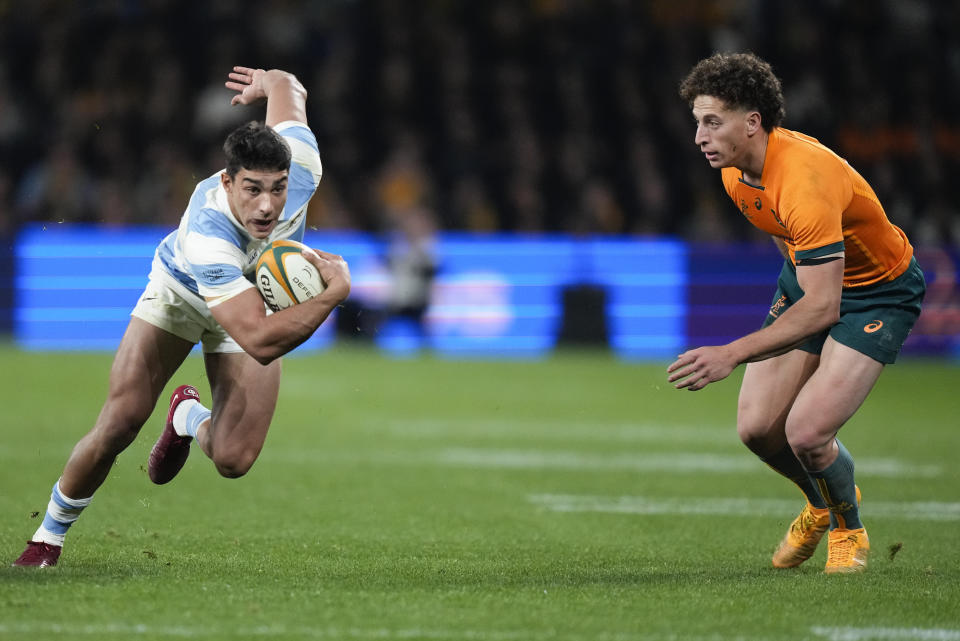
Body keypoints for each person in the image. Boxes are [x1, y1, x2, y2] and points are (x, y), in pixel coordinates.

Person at [12, 66, 351, 568]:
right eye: (253, 189)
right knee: (121, 422)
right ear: (226, 180)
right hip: (183, 291)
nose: (268, 206)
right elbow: (259, 341)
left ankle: (187, 417)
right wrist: (332, 293)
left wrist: (267, 79)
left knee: (234, 459)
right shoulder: (210, 235)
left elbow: (289, 87)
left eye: (278, 189)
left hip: (250, 295)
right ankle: (47, 539)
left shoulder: (302, 164)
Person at [668, 53, 925, 574]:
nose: (700, 136)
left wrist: (733, 352)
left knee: (806, 433)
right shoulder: (736, 175)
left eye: (712, 122)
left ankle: (848, 529)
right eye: (698, 122)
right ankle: (820, 503)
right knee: (758, 428)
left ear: (753, 122)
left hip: (878, 292)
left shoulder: (802, 180)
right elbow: (803, 264)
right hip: (812, 284)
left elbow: (825, 306)